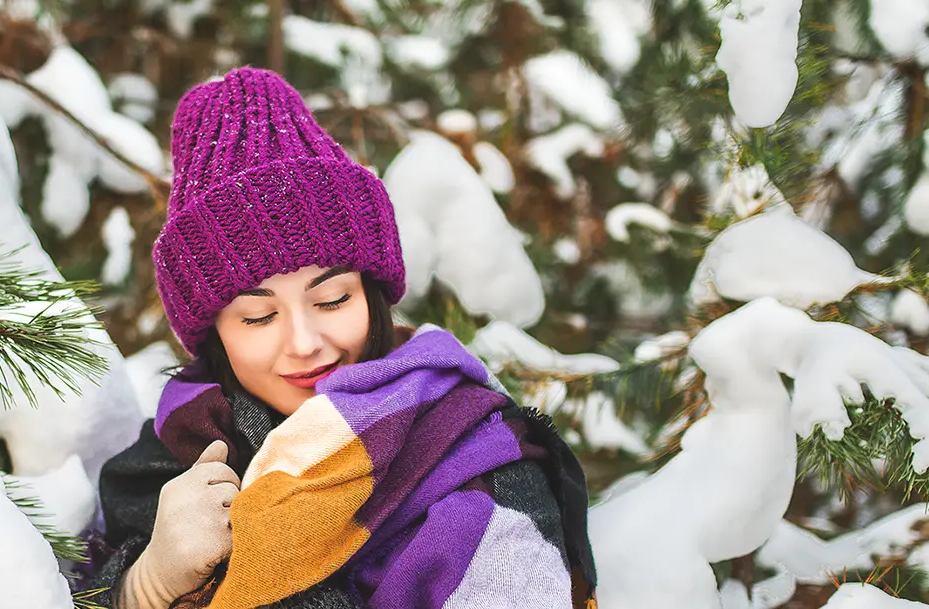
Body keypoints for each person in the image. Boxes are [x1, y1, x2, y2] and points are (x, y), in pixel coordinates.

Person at [88, 67, 596, 609]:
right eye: (259, 316)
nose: (305, 342)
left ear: (373, 293)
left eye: (332, 300)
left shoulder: (478, 462)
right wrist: (145, 584)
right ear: (214, 333)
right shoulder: (170, 457)